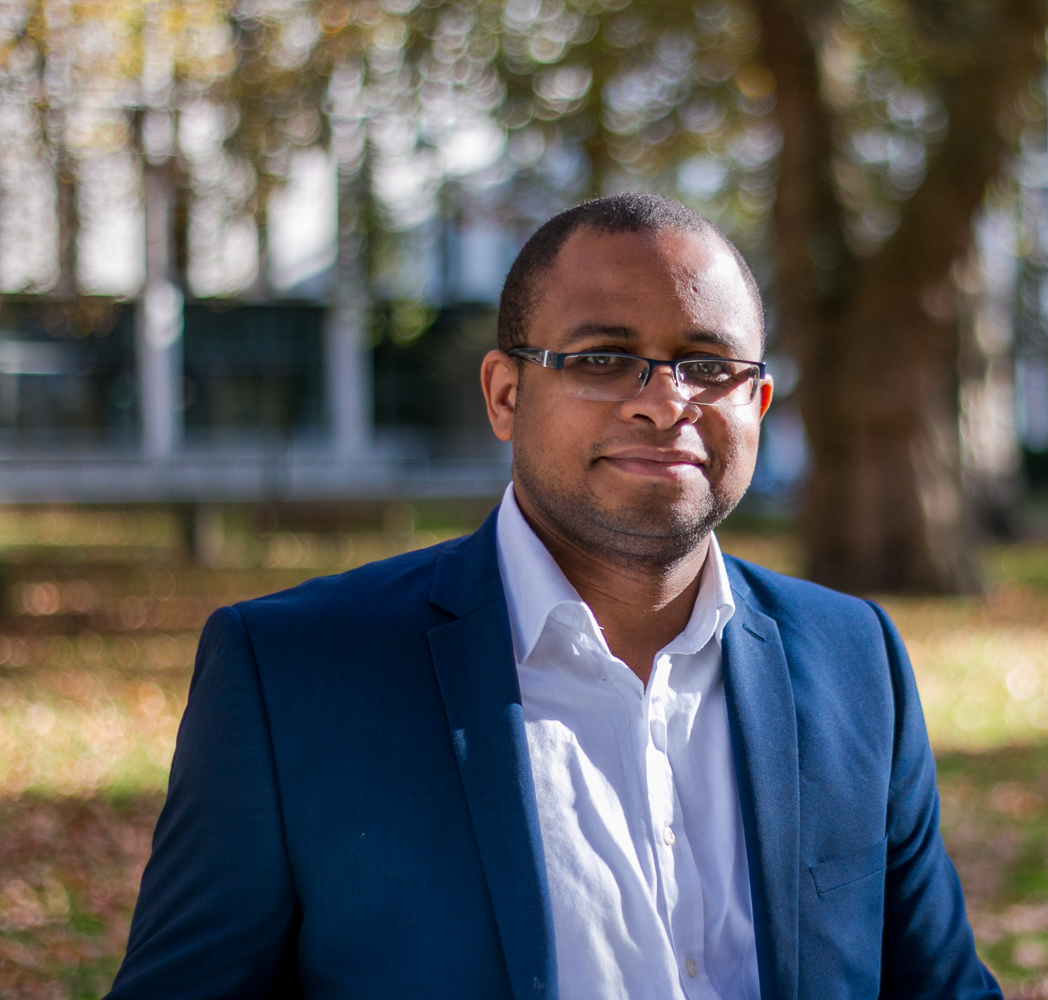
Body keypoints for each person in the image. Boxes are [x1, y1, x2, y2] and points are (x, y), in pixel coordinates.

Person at [107, 193, 1001, 1000]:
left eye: (708, 364)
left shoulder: (854, 660)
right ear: (505, 393)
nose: (664, 402)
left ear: (759, 401)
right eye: (605, 358)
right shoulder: (294, 674)